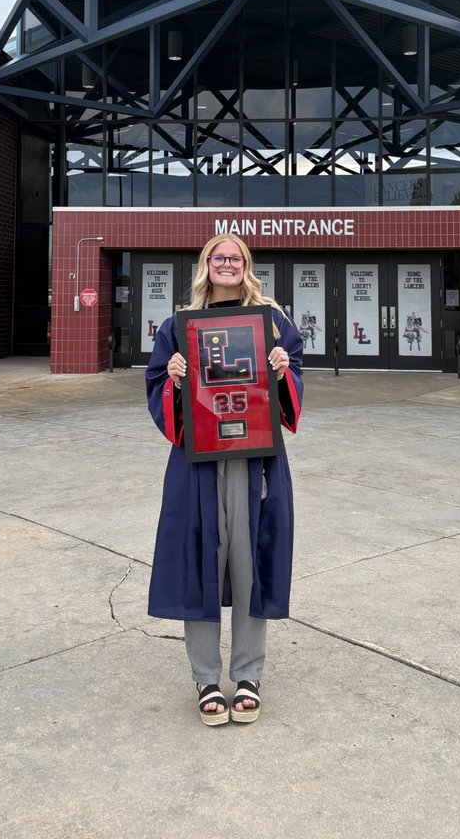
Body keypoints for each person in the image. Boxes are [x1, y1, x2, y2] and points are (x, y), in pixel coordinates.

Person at [145, 235, 304, 726]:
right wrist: (171, 378)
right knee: (200, 561)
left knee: (249, 561)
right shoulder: (178, 326)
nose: (228, 264)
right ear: (206, 266)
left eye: (235, 258)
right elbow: (157, 388)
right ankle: (206, 677)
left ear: (246, 265)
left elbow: (292, 388)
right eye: (219, 258)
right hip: (198, 460)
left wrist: (282, 372)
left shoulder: (272, 322)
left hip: (254, 459)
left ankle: (249, 674)